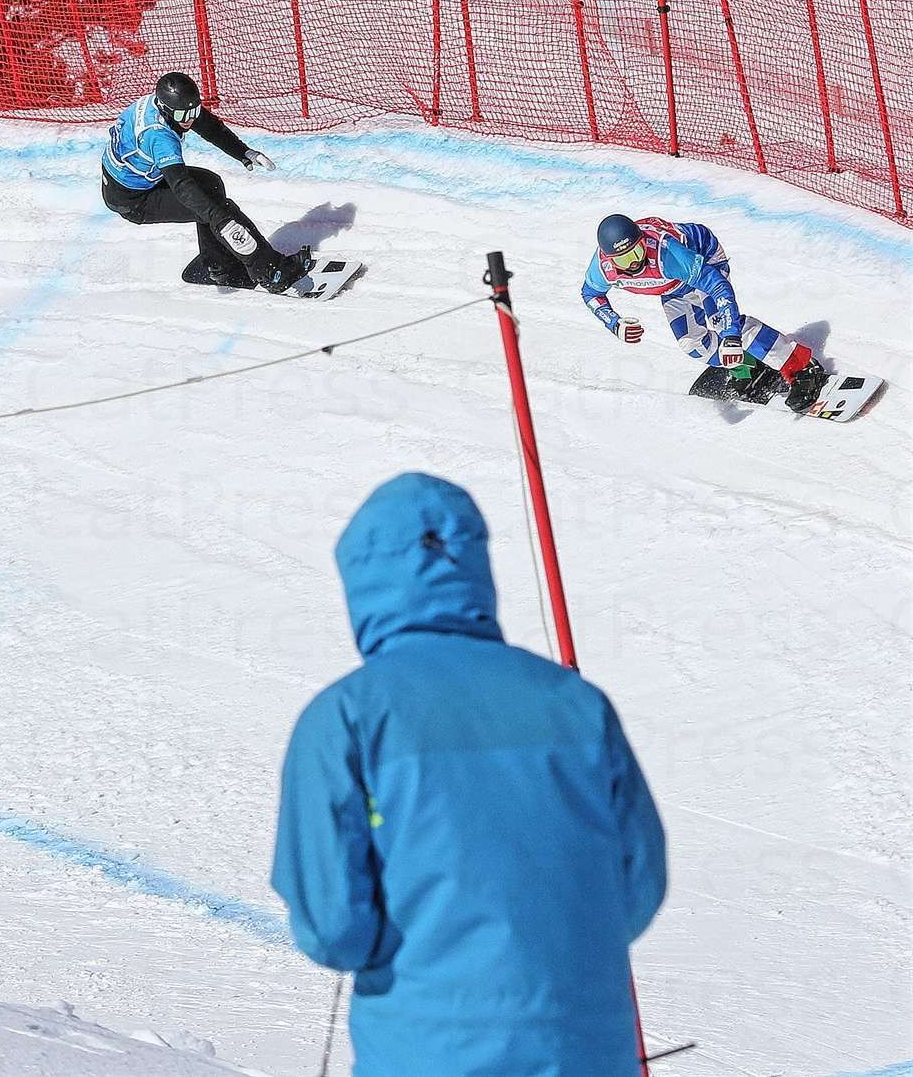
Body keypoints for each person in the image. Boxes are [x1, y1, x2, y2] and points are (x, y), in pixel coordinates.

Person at [272, 473, 666, 1076]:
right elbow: (636, 886)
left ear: (362, 576)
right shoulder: (576, 704)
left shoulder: (346, 716)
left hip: (427, 1050)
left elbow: (333, 926)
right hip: (587, 1052)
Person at [583, 213, 828, 411]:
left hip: (704, 260)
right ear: (609, 258)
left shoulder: (667, 254)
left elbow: (718, 286)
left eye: (637, 253)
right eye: (623, 261)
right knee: (693, 345)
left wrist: (730, 337)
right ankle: (749, 366)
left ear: (643, 243)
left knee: (723, 323)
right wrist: (614, 323)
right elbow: (590, 294)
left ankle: (802, 366)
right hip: (674, 286)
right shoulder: (602, 269)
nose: (634, 264)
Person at [100, 71, 310, 292]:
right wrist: (219, 218)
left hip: (135, 180)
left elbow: (208, 125)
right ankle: (271, 273)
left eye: (194, 110)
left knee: (211, 184)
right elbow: (182, 185)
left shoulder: (169, 107)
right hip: (133, 200)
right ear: (166, 109)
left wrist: (243, 152)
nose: (190, 119)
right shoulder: (159, 136)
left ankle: (219, 266)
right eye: (184, 115)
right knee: (216, 208)